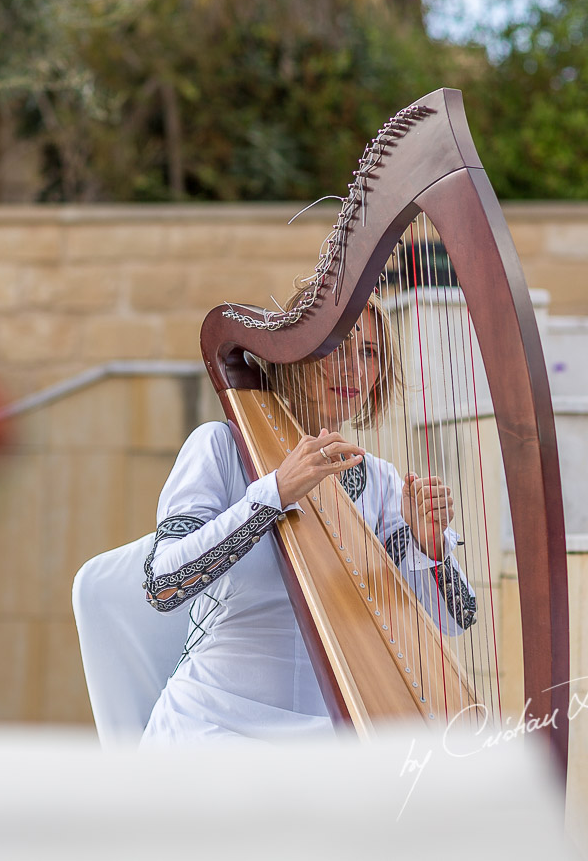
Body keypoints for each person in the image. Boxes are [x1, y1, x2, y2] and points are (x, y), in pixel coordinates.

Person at [140, 293, 477, 746]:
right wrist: (274, 493)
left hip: (325, 737)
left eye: (370, 352)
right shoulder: (219, 447)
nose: (354, 369)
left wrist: (429, 548)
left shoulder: (377, 481)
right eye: (338, 347)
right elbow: (162, 584)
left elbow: (461, 616)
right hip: (213, 723)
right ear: (294, 355)